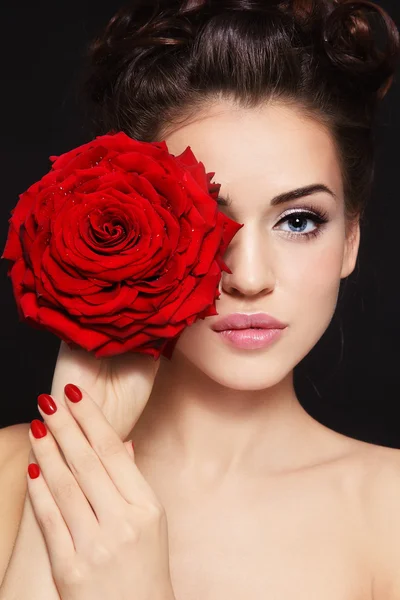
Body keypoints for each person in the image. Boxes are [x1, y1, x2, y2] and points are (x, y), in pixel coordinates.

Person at [0, 0, 399, 598]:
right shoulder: (8, 476)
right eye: (207, 219)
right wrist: (69, 466)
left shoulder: (387, 511)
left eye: (297, 221)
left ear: (351, 241)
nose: (250, 276)